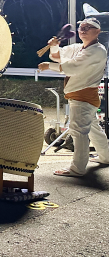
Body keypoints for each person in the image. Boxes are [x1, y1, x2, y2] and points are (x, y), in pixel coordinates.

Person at [39, 16, 109, 176]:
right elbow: (57, 56)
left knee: (78, 131)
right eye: (81, 27)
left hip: (83, 96)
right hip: (84, 95)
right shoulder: (79, 47)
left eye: (88, 27)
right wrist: (54, 46)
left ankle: (77, 168)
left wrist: (49, 66)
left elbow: (71, 67)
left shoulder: (97, 50)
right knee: (93, 129)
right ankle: (106, 157)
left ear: (97, 31)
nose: (83, 30)